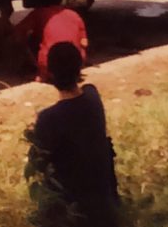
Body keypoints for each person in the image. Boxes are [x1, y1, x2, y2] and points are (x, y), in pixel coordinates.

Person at [30, 42, 120, 227]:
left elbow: (39, 163)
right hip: (105, 201)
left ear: (50, 72)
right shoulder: (92, 98)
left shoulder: (49, 118)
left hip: (74, 209)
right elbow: (86, 90)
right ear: (80, 67)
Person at [14, 0, 89, 82]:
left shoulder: (39, 13)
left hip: (50, 69)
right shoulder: (74, 14)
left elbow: (18, 31)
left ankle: (42, 75)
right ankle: (71, 72)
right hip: (76, 67)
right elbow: (84, 43)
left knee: (30, 38)